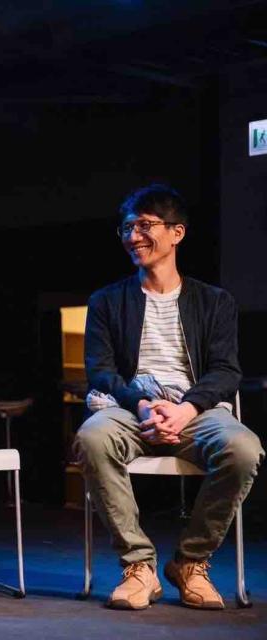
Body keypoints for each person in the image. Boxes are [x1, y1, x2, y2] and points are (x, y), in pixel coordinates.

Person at [74, 184, 263, 610]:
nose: (133, 236)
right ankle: (139, 566)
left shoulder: (214, 301)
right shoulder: (107, 301)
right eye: (127, 228)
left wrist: (186, 409)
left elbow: (226, 370)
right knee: (92, 438)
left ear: (177, 232)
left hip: (195, 410)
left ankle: (190, 562)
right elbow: (101, 370)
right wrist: (142, 404)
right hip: (129, 408)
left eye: (145, 226)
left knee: (243, 448)